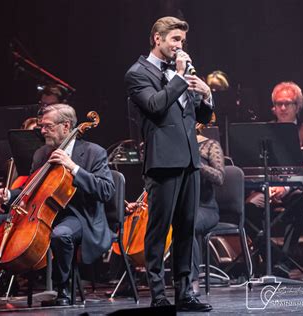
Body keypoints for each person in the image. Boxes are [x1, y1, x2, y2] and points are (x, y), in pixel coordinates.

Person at [0, 103, 115, 306]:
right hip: (41, 213)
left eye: (47, 126)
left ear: (66, 126)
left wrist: (73, 167)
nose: (42, 131)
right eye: (42, 126)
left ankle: (63, 291)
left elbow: (106, 190)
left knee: (61, 234)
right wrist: (8, 196)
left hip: (79, 216)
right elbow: (30, 191)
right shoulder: (42, 154)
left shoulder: (94, 152)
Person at [125, 16, 214, 311]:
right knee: (159, 230)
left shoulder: (182, 73)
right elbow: (155, 106)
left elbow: (198, 117)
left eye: (182, 41)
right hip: (163, 161)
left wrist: (206, 95)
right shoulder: (137, 73)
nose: (179, 46)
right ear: (157, 39)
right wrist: (178, 77)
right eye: (175, 40)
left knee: (186, 228)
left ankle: (185, 293)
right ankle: (159, 296)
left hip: (190, 159)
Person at [245, 81, 303, 278]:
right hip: (266, 189)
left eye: (287, 103)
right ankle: (275, 258)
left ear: (298, 106)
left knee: (300, 201)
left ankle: (283, 262)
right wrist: (269, 188)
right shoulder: (263, 132)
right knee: (245, 208)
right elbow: (255, 167)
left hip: (297, 190)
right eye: (278, 103)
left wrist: (285, 188)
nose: (282, 108)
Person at [191, 118, 225, 294]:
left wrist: (197, 163)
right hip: (181, 205)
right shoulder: (173, 146)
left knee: (188, 222)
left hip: (206, 208)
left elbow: (219, 177)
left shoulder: (210, 145)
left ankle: (192, 281)